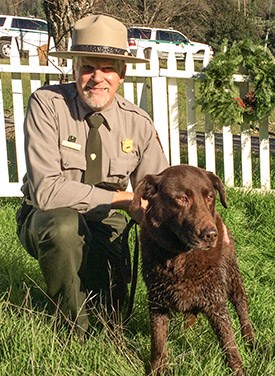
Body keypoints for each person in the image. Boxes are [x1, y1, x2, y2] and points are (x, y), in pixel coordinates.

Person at [16, 14, 169, 336]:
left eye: (107, 68)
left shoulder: (137, 122)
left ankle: (98, 316)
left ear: (122, 74)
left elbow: (158, 190)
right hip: (45, 217)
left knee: (112, 317)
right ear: (74, 70)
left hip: (108, 221)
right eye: (87, 67)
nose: (96, 78)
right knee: (64, 226)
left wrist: (201, 227)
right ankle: (73, 331)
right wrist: (122, 198)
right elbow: (47, 192)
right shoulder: (47, 105)